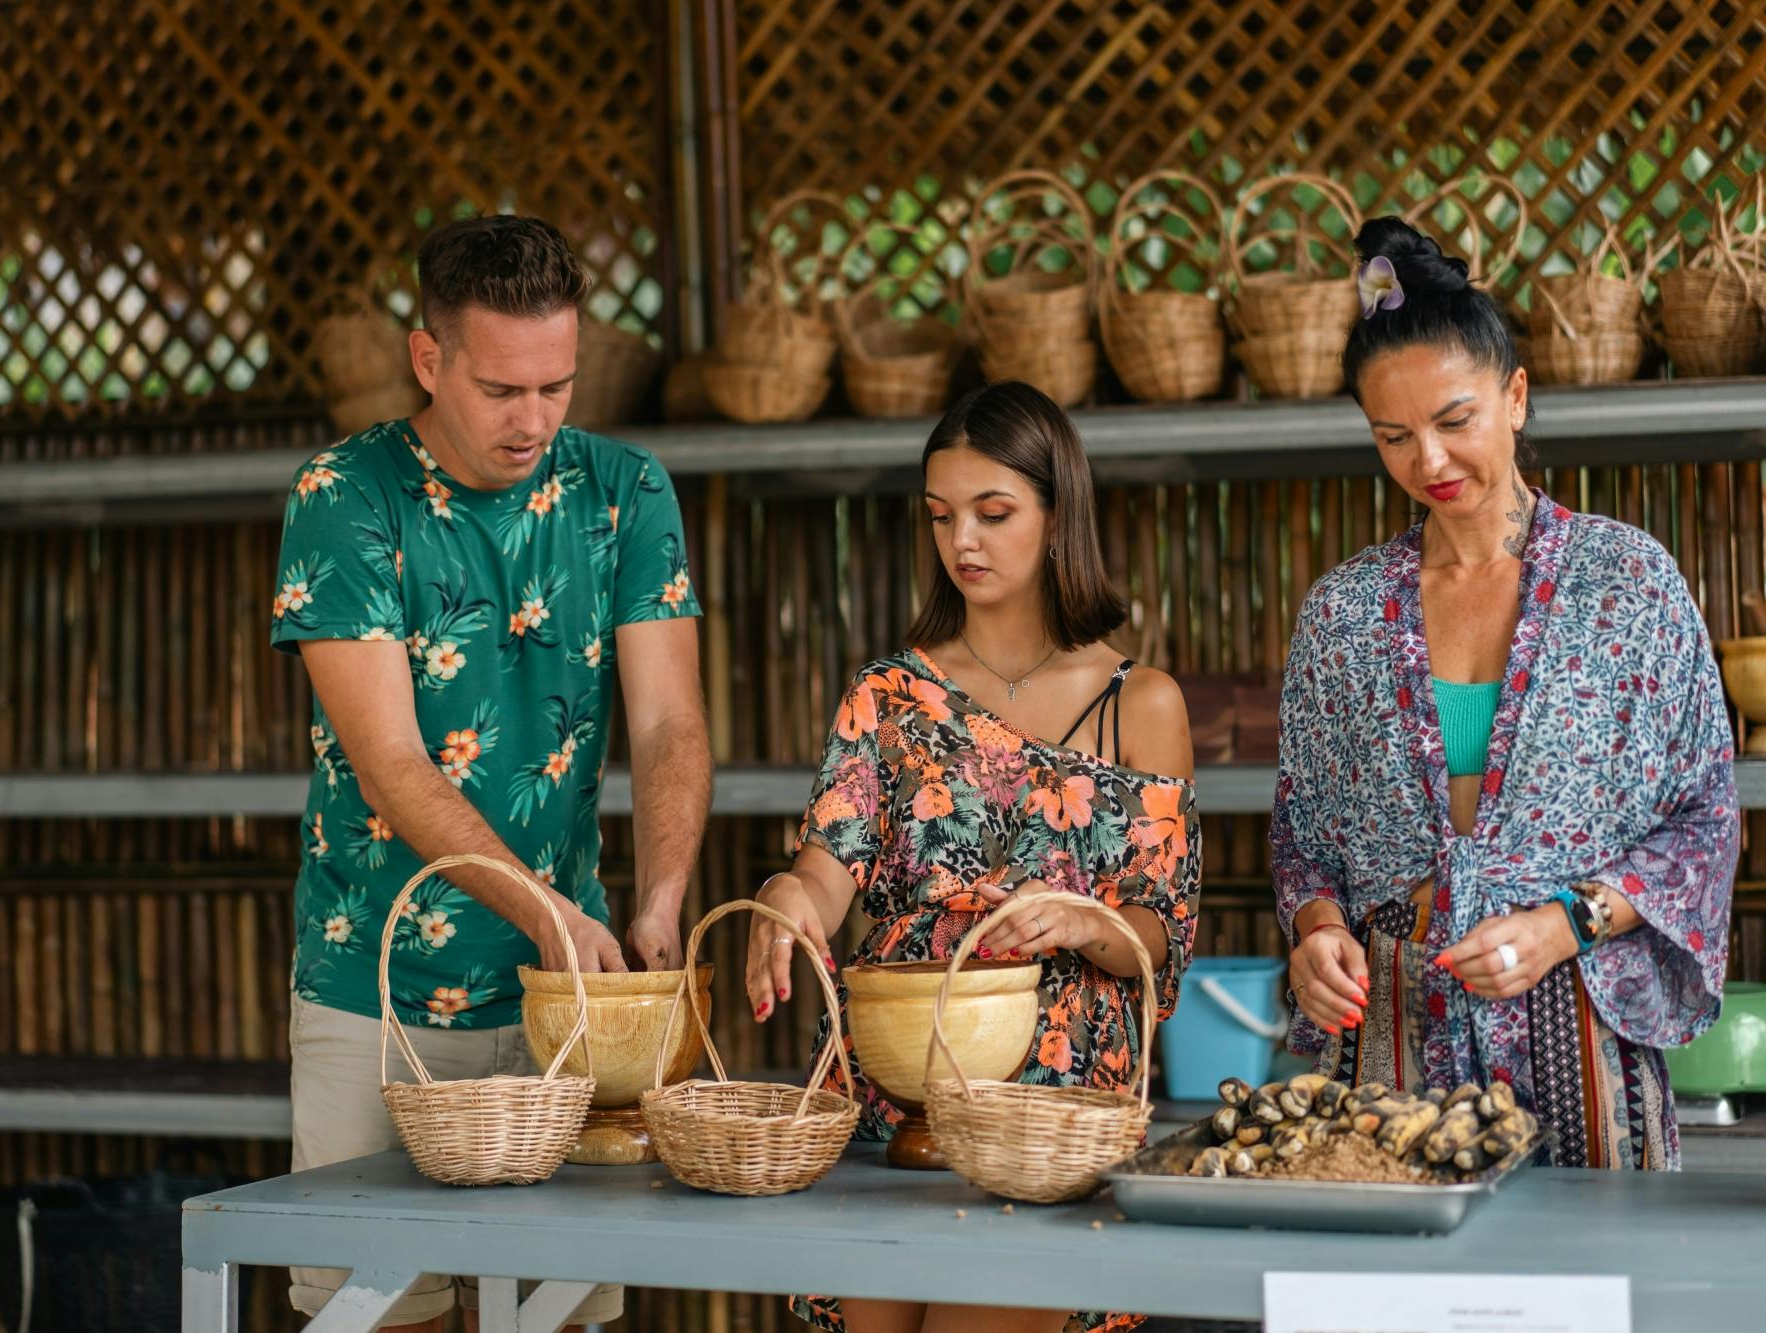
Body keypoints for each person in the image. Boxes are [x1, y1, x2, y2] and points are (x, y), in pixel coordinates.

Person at [269, 214, 712, 1330]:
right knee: (375, 1318)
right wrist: (551, 913)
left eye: (555, 386)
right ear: (430, 359)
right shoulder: (345, 495)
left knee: (562, 1317)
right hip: (374, 993)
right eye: (502, 389)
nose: (534, 421)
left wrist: (658, 895)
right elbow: (392, 765)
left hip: (570, 1006)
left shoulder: (626, 491)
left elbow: (668, 724)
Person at [1274, 217, 1738, 1170]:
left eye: (1455, 422)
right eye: (1393, 436)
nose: (1429, 463)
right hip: (1390, 1050)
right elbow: (1303, 833)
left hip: (1581, 1033)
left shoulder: (1627, 584)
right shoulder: (1344, 613)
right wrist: (1315, 932)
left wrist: (1566, 922)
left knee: (1591, 1305)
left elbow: (1704, 819)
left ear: (1515, 397)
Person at [748, 381, 1201, 1333]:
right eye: (943, 515)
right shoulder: (888, 695)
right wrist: (789, 896)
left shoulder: (1140, 702)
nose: (965, 542)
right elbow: (828, 864)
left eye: (994, 513)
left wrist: (1091, 920)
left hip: (1054, 1105)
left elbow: (1164, 937)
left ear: (1057, 511)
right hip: (900, 1086)